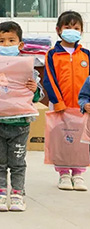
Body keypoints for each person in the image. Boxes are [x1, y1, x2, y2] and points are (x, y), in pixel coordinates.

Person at [0, 21, 42, 212]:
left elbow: (37, 96)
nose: (6, 44)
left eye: (11, 40)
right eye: (2, 41)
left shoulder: (28, 68)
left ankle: (18, 195)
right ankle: (0, 195)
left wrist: (34, 89)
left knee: (18, 163)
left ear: (20, 44)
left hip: (20, 124)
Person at [42, 10, 89, 191]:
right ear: (58, 30)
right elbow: (49, 79)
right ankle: (63, 173)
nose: (72, 31)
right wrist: (58, 102)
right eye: (67, 27)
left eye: (76, 28)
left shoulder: (86, 55)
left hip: (82, 106)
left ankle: (78, 173)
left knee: (80, 140)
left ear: (81, 31)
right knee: (62, 139)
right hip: (60, 105)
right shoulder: (52, 54)